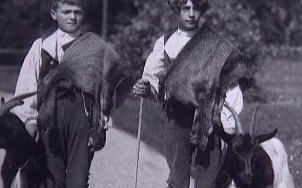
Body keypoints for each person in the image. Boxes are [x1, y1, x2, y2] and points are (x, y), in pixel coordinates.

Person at [13, 0, 130, 187]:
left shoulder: (95, 47)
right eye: (66, 12)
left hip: (81, 118)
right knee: (52, 179)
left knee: (79, 179)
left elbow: (106, 87)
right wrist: (30, 120)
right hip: (49, 119)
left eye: (77, 12)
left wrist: (101, 124)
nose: (72, 17)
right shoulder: (42, 46)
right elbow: (27, 88)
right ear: (53, 14)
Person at [133, 0, 244, 188]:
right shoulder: (167, 42)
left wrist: (227, 120)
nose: (191, 14)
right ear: (178, 9)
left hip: (209, 117)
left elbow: (231, 84)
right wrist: (146, 87)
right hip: (178, 116)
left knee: (209, 177)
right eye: (186, 8)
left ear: (203, 10)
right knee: (177, 175)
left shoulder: (215, 44)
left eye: (196, 9)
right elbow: (152, 77)